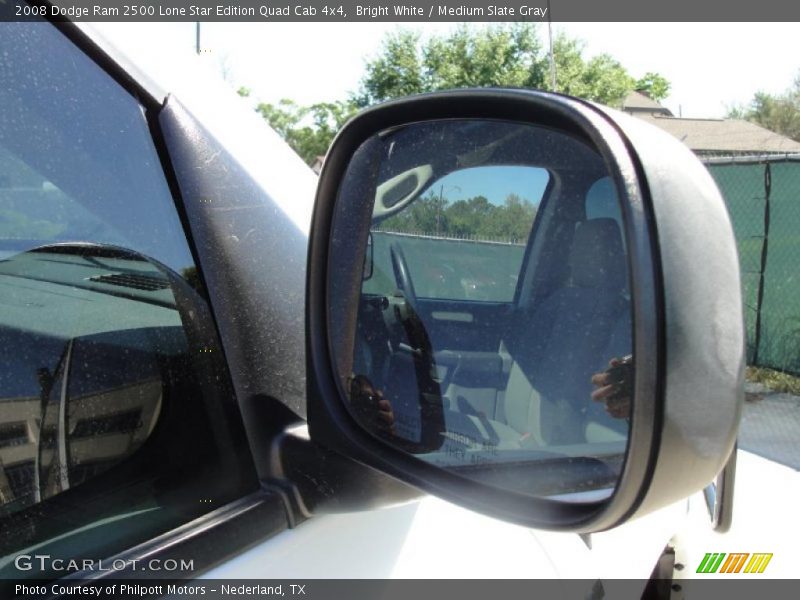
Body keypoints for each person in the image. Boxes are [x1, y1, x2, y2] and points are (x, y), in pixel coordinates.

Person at [591, 355, 633, 420]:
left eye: (619, 375)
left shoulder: (629, 362)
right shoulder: (617, 404)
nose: (621, 382)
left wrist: (626, 361)